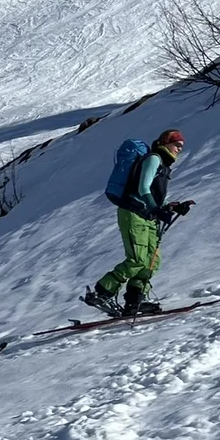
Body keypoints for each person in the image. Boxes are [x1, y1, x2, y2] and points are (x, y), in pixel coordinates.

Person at [84, 129, 194, 318]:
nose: (179, 149)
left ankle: (135, 301)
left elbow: (152, 197)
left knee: (151, 262)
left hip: (147, 217)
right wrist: (156, 209)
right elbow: (143, 188)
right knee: (137, 259)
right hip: (133, 213)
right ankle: (103, 292)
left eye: (181, 147)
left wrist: (171, 208)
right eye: (177, 145)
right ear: (165, 142)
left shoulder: (164, 166)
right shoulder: (154, 159)